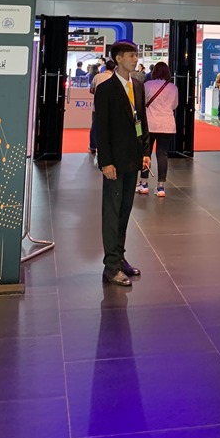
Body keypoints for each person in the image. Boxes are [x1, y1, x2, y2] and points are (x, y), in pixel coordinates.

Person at [94, 41, 151, 287]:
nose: (135, 59)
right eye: (130, 55)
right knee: (112, 212)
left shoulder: (137, 86)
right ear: (118, 59)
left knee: (125, 210)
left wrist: (145, 152)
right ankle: (111, 266)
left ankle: (119, 257)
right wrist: (106, 162)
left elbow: (142, 121)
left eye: (136, 55)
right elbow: (101, 128)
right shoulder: (105, 88)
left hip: (132, 158)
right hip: (114, 162)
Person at [138, 62, 178, 197]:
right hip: (167, 124)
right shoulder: (173, 87)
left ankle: (144, 183)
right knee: (162, 154)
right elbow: (174, 105)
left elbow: (142, 104)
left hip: (150, 124)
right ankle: (161, 187)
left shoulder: (147, 85)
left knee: (146, 153)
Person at [88, 59, 114, 155]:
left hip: (97, 106)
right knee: (110, 127)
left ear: (105, 67)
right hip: (111, 107)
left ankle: (93, 146)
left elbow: (91, 90)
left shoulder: (97, 76)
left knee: (95, 126)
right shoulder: (115, 78)